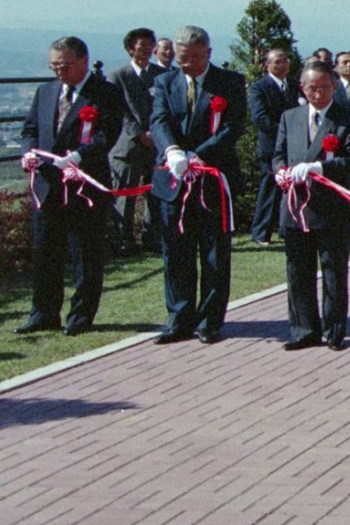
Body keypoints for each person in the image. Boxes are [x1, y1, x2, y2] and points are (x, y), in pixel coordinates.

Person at [16, 36, 123, 337]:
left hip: (83, 187)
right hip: (48, 186)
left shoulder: (105, 93)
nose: (58, 72)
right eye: (54, 66)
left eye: (64, 65)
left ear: (83, 62)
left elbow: (107, 135)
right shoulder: (46, 91)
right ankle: (43, 313)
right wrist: (29, 152)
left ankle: (80, 315)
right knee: (45, 253)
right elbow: (31, 129)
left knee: (85, 253)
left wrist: (78, 156)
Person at [149, 25, 248, 344]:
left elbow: (232, 126)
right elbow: (159, 120)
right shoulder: (165, 81)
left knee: (213, 252)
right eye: (181, 58)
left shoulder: (230, 82)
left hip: (212, 178)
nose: (186, 64)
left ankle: (210, 321)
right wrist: (173, 151)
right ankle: (179, 319)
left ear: (208, 52)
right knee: (175, 251)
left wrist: (196, 155)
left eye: (193, 57)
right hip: (174, 177)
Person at [270, 60, 350, 351]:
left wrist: (319, 168)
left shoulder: (347, 117)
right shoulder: (290, 117)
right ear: (303, 88)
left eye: (325, 87)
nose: (318, 94)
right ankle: (303, 330)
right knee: (297, 270)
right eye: (312, 88)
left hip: (331, 207)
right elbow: (277, 155)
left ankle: (334, 330)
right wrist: (280, 171)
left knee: (333, 270)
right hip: (295, 205)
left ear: (334, 87)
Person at [108, 27, 163, 258]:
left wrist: (156, 133)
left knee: (156, 193)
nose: (147, 51)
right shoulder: (118, 75)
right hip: (128, 145)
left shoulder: (161, 74)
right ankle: (124, 241)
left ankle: (153, 237)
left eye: (151, 46)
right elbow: (118, 110)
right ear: (131, 49)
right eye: (142, 46)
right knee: (125, 194)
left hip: (156, 144)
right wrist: (139, 133)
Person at [247, 48, 302, 245]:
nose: (282, 64)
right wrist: (286, 133)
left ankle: (288, 229)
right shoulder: (259, 87)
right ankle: (261, 232)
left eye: (285, 60)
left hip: (296, 147)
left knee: (294, 188)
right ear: (267, 65)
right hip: (272, 146)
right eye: (277, 62)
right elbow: (260, 118)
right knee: (269, 189)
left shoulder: (296, 86)